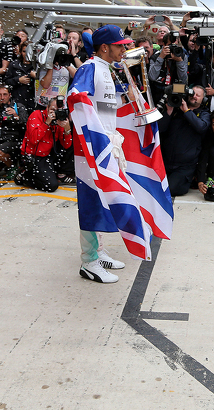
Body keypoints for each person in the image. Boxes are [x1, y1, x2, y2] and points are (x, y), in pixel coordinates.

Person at [70, 24, 133, 284]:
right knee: (92, 202)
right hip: (91, 149)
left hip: (107, 146)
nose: (124, 49)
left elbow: (114, 101)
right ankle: (89, 261)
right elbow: (75, 97)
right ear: (105, 47)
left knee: (104, 199)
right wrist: (93, 136)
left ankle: (99, 251)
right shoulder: (89, 68)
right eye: (120, 46)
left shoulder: (108, 70)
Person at [158, 85, 210, 196]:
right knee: (155, 187)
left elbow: (201, 127)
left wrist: (186, 110)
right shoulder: (176, 109)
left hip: (184, 167)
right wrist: (168, 112)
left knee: (171, 189)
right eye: (192, 94)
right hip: (166, 162)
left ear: (203, 99)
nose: (194, 96)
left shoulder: (204, 114)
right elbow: (160, 129)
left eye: (198, 95)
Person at [18, 95, 74, 192]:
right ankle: (24, 176)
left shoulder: (59, 119)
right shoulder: (36, 115)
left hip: (48, 154)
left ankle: (60, 173)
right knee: (51, 186)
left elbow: (67, 145)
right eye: (53, 109)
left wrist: (67, 129)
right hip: (34, 155)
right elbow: (33, 139)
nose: (55, 112)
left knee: (74, 145)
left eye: (58, 110)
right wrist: (47, 122)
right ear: (47, 108)